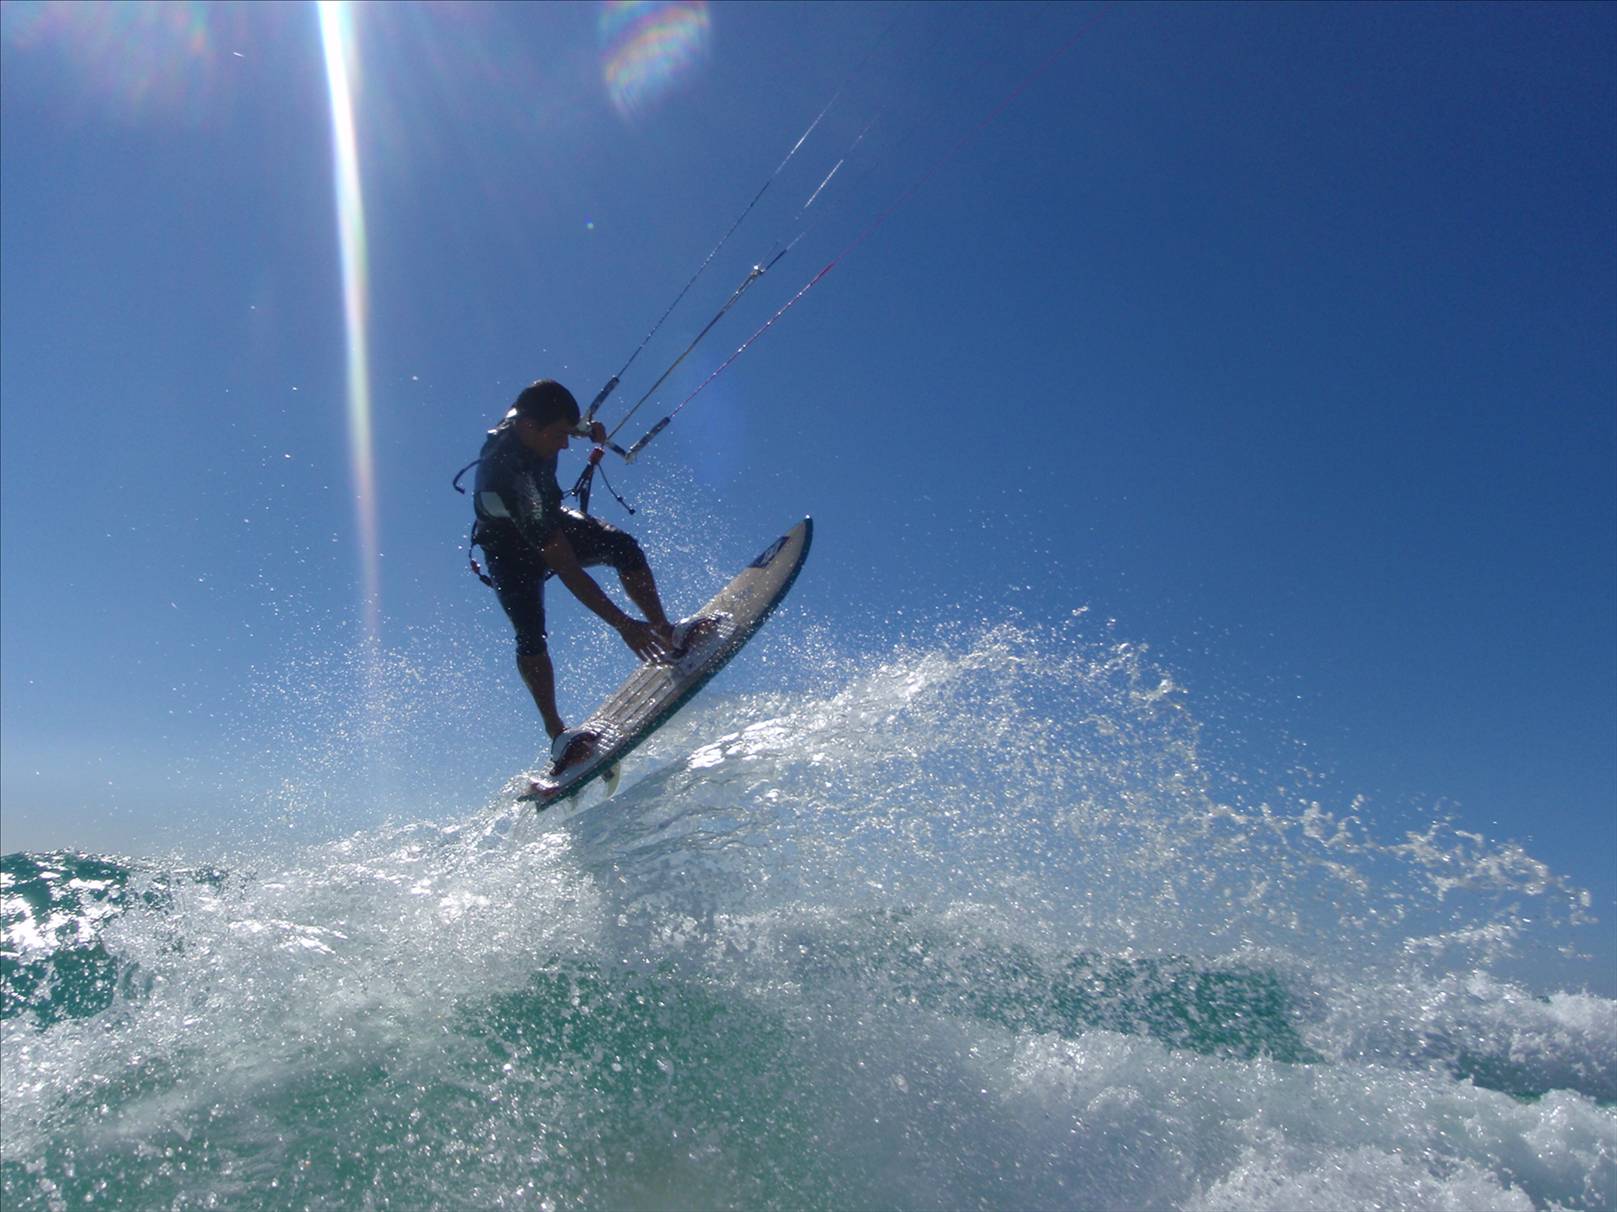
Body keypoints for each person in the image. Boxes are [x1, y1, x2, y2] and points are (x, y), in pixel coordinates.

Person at [470, 379, 709, 774]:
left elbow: (547, 416)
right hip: (508, 551)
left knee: (623, 547)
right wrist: (623, 624)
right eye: (559, 435)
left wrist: (583, 429)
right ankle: (558, 736)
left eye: (568, 433)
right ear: (529, 428)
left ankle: (667, 632)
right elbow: (566, 566)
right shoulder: (509, 476)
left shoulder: (528, 420)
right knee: (530, 634)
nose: (566, 445)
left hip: (547, 517)